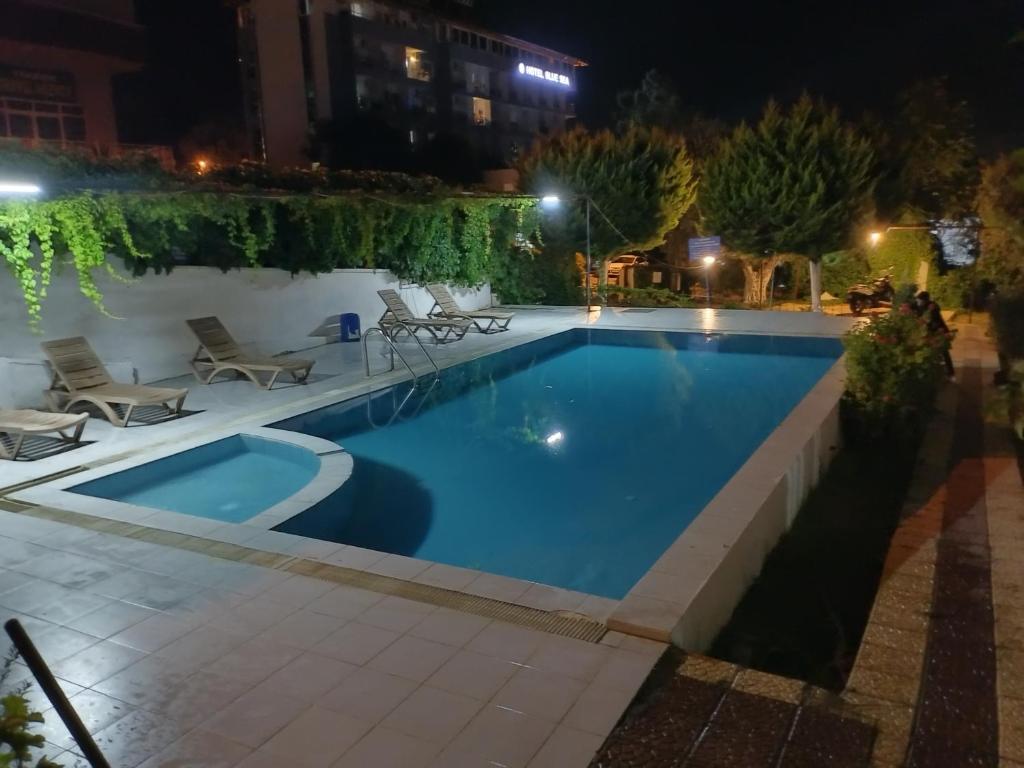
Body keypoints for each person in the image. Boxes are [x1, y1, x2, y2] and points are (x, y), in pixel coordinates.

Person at [914, 291, 955, 379]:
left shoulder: (932, 307)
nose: (919, 302)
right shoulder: (923, 307)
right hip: (931, 332)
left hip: (937, 331)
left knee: (943, 351)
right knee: (935, 352)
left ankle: (950, 372)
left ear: (925, 300)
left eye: (920, 300)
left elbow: (933, 320)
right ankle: (944, 371)